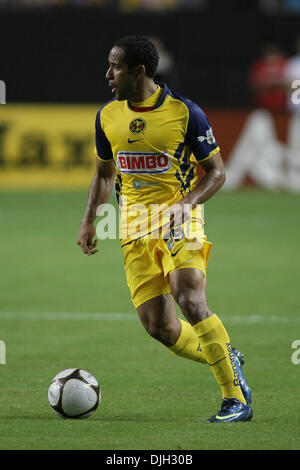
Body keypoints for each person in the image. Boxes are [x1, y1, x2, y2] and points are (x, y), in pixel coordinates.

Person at [77, 35, 252, 423]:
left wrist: (187, 204)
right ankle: (224, 354)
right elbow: (104, 174)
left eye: (115, 67)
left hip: (180, 218)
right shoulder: (107, 115)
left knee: (189, 296)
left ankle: (235, 399)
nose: (108, 74)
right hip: (134, 227)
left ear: (139, 71)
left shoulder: (186, 113)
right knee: (160, 326)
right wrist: (90, 218)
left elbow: (218, 173)